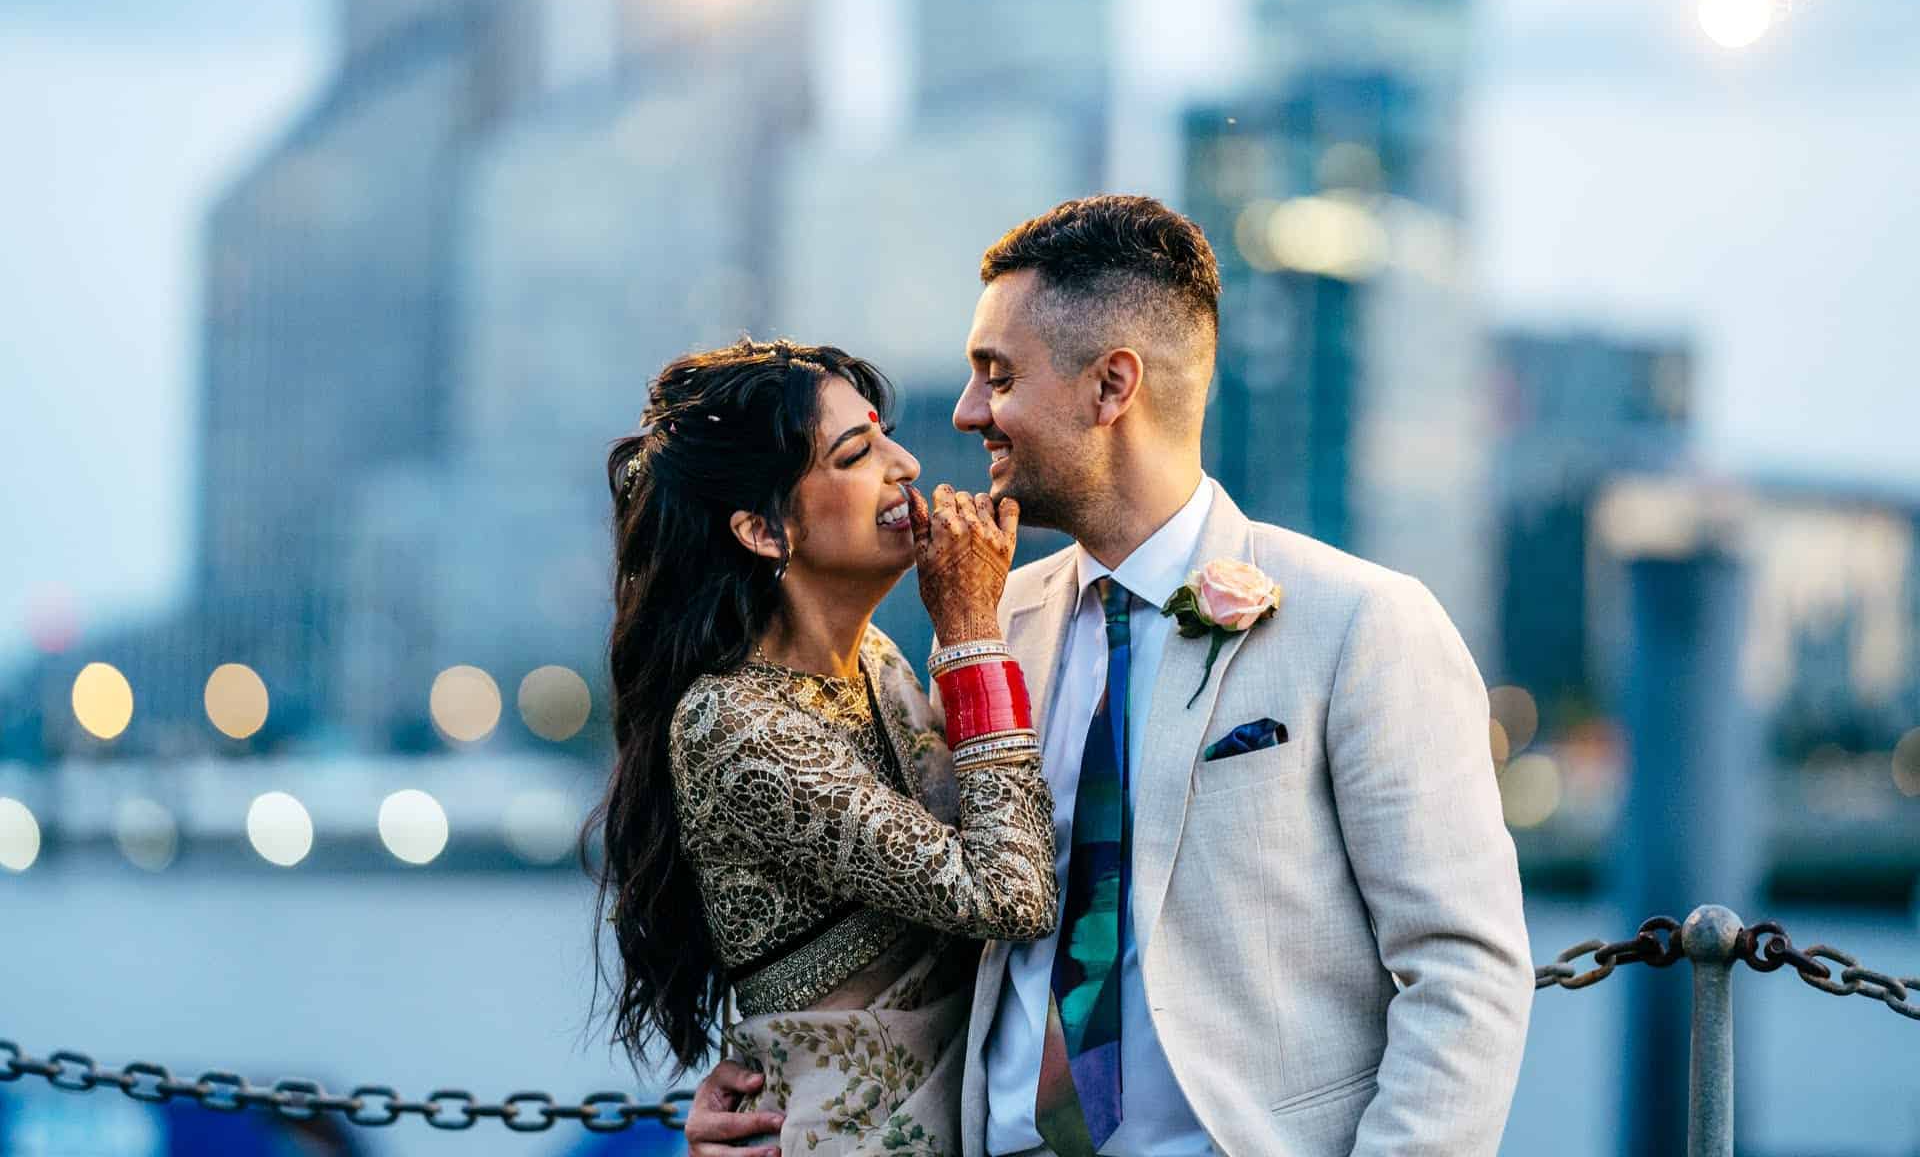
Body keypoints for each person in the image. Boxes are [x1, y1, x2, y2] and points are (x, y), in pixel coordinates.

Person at [685, 197, 1533, 1157]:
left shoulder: (1361, 622)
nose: (967, 413)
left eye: (999, 376)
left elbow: (1463, 970)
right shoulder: (987, 629)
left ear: (1111, 386)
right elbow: (923, 912)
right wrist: (780, 1078)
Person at [590, 339, 1060, 1157]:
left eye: (884, 438)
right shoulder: (732, 724)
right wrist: (970, 630)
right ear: (763, 530)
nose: (905, 467)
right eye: (856, 454)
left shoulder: (875, 660)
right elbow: (1010, 895)